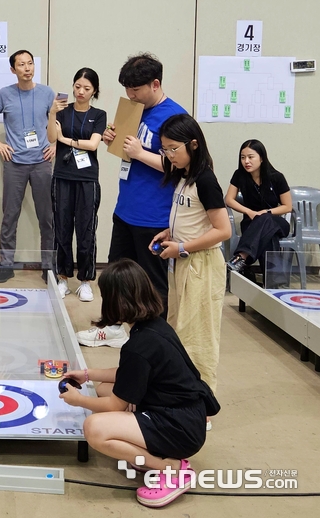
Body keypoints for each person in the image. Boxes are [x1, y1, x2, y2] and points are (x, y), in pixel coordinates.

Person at [59, 259, 218, 508]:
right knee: (103, 388)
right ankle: (151, 451)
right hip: (186, 413)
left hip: (180, 428)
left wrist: (77, 400)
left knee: (94, 428)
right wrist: (88, 374)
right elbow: (130, 374)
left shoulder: (139, 345)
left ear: (117, 302)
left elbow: (114, 404)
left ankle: (172, 468)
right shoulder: (154, 327)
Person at [78, 53, 186, 348]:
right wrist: (114, 139)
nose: (130, 95)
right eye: (127, 89)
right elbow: (126, 150)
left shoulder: (175, 117)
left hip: (155, 216)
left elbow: (181, 165)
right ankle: (111, 328)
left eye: (136, 90)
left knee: (152, 283)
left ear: (155, 84)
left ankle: (155, 341)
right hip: (126, 209)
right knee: (114, 274)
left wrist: (140, 153)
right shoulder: (134, 110)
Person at [149, 114, 231, 430]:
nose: (169, 155)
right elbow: (190, 219)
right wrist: (169, 235)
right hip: (182, 260)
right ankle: (184, 398)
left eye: (173, 149)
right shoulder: (184, 176)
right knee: (179, 332)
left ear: (193, 144)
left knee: (198, 337)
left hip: (202, 266)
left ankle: (203, 407)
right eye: (165, 149)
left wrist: (183, 247)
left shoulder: (206, 180)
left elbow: (222, 230)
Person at [0, 49, 55, 283]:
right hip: (14, 163)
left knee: (46, 216)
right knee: (10, 215)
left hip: (42, 163)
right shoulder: (5, 94)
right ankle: (6, 265)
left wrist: (55, 145)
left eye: (30, 63)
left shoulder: (47, 93)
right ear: (13, 70)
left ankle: (48, 266)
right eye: (22, 65)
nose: (27, 68)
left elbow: (56, 123)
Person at [47, 68, 107, 302]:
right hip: (62, 175)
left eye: (87, 88)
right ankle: (62, 278)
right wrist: (52, 114)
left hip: (87, 178)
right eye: (77, 86)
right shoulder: (62, 111)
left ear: (94, 91)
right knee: (61, 228)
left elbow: (93, 145)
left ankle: (85, 281)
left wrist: (66, 140)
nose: (80, 92)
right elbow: (51, 137)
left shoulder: (99, 115)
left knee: (86, 229)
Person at [225, 140, 291, 275]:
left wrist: (265, 212)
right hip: (251, 222)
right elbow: (228, 199)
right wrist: (249, 212)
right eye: (243, 157)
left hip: (276, 222)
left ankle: (241, 257)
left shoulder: (277, 177)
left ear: (261, 158)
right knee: (269, 238)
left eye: (251, 157)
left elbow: (287, 207)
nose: (246, 161)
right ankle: (272, 281)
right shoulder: (239, 175)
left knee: (266, 219)